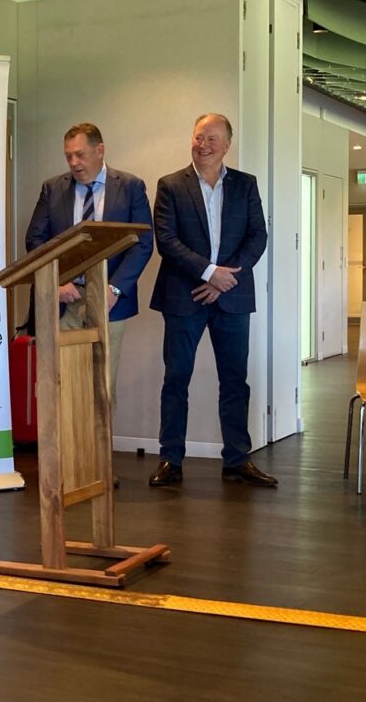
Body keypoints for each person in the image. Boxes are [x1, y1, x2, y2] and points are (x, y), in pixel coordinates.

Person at [148, 113, 276, 488]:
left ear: (227, 145)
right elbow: (167, 241)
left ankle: (237, 459)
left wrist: (224, 279)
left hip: (232, 297)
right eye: (199, 137)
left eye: (212, 139)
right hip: (183, 295)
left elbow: (258, 237)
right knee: (176, 378)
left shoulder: (245, 184)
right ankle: (171, 460)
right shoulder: (170, 184)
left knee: (236, 381)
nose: (203, 145)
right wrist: (208, 273)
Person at [25, 122, 153, 404]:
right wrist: (57, 281)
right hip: (62, 302)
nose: (74, 162)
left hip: (109, 302)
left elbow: (142, 243)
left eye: (80, 155)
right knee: (63, 387)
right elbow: (35, 241)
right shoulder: (53, 188)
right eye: (68, 156)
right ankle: (66, 450)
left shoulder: (130, 187)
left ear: (100, 150)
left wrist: (115, 290)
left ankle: (99, 450)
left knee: (102, 390)